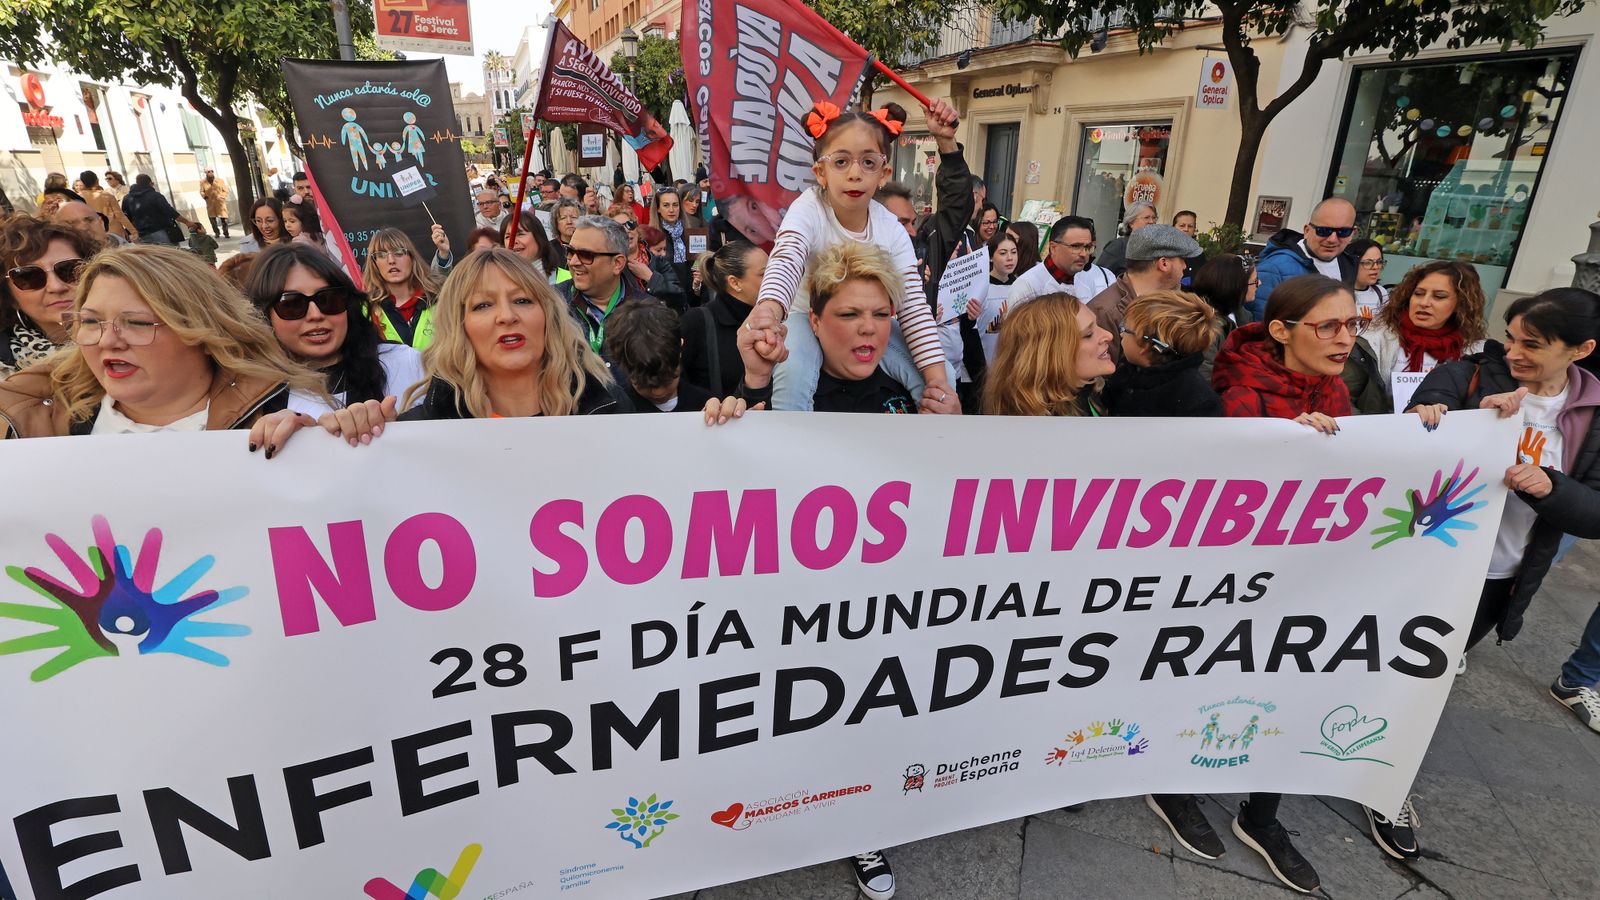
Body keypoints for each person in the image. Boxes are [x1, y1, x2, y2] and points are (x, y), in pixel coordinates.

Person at [1393, 288, 1600, 861]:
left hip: (1498, 576)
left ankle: (1384, 782)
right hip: (1418, 561)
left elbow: (1596, 511)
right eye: (1510, 337)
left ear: (1581, 349)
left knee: (1424, 683)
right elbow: (1403, 446)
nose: (1514, 352)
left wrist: (1551, 486)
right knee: (1376, 665)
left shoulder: (1592, 413)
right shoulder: (1467, 375)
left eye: (1532, 344)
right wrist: (1447, 420)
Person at [1206, 274, 1359, 893]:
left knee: (1293, 684)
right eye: (1328, 326)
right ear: (1281, 331)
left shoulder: (1338, 389)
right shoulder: (1237, 395)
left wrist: (1430, 427)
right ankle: (1173, 785)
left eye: (1352, 324)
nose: (1345, 337)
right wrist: (1286, 446)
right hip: (1234, 580)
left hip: (1308, 577)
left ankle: (1263, 815)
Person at [749, 100, 957, 414]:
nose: (855, 174)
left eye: (868, 163)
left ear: (884, 172)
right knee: (793, 377)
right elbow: (787, 257)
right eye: (842, 162)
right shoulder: (808, 209)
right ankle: (787, 448)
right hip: (803, 316)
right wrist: (769, 309)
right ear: (820, 172)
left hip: (861, 322)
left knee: (946, 378)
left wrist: (939, 386)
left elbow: (912, 304)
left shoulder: (891, 228)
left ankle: (930, 440)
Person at [0, 245, 328, 440]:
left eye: (137, 323)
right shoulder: (25, 424)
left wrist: (339, 439)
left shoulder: (294, 410)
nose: (108, 341)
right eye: (89, 322)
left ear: (202, 333)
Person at [399, 248, 627, 419]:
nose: (507, 316)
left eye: (522, 300)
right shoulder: (420, 427)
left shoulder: (609, 407)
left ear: (548, 314)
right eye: (483, 305)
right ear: (459, 324)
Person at [244, 243, 424, 420]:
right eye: (292, 304)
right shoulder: (251, 397)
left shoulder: (405, 363)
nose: (315, 315)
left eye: (329, 299)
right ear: (264, 314)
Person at [1343, 259, 1487, 415]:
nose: (1424, 303)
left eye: (1439, 296)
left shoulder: (1476, 351)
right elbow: (1345, 397)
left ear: (1461, 304)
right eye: (1418, 294)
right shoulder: (1373, 341)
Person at [0, 216, 101, 376]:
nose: (56, 286)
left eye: (70, 270)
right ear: (9, 297)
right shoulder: (5, 372)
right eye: (29, 276)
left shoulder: (139, 335)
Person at [1086, 223, 1202, 363]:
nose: (1184, 266)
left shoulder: (1173, 301)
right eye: (1182, 259)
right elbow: (1102, 376)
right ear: (1163, 263)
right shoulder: (1105, 312)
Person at [1103, 290, 1223, 417]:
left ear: (1145, 345)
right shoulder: (1126, 371)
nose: (1121, 334)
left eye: (1125, 328)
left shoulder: (1197, 402)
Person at [558, 216, 659, 363]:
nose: (573, 262)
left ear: (617, 263)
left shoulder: (648, 311)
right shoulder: (550, 302)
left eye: (586, 255)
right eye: (570, 251)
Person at [682, 241, 766, 398]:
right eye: (764, 274)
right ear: (735, 282)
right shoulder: (697, 322)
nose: (773, 280)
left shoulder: (775, 320)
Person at [1253, 197, 1357, 320]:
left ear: (1352, 234)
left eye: (1343, 232)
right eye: (1323, 231)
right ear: (1307, 230)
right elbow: (1258, 326)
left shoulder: (1350, 265)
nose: (1332, 239)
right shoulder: (1274, 267)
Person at [604, 300, 714, 412]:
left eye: (668, 379)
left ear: (680, 348)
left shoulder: (705, 404)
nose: (658, 392)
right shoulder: (615, 410)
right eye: (644, 384)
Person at [1009, 214, 1114, 307]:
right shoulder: (1028, 285)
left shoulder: (1086, 279)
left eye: (1088, 247)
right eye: (1076, 246)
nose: (1084, 254)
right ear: (1053, 248)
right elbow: (1014, 328)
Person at [364, 227, 440, 349]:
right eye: (382, 255)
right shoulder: (365, 310)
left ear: (412, 257)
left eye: (398, 252)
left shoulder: (440, 298)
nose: (391, 260)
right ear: (374, 263)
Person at [1190, 253, 1257, 380]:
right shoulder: (1204, 326)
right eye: (1254, 281)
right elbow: (1207, 376)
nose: (1259, 283)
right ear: (1236, 286)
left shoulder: (1243, 314)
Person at [975, 230, 1020, 365]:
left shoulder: (1022, 286)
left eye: (1013, 252)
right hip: (984, 366)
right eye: (1003, 253)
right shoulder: (980, 287)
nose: (1010, 258)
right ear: (990, 256)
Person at [121, 174, 193, 246]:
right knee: (171, 254)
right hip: (162, 231)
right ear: (150, 183)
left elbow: (126, 218)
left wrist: (130, 232)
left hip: (142, 235)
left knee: (153, 256)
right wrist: (187, 222)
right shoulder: (155, 195)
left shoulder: (127, 199)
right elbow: (170, 211)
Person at [1096, 201, 1158, 275]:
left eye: (1154, 218)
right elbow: (1099, 277)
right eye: (1146, 218)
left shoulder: (1157, 248)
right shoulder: (1119, 246)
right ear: (1131, 223)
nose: (1151, 221)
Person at [281, 197, 344, 269]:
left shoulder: (299, 241)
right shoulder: (320, 234)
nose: (287, 225)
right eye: (285, 221)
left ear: (304, 221)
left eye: (292, 221)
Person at [636, 225, 684, 306]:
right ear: (644, 249)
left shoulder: (664, 266)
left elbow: (678, 295)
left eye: (664, 249)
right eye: (658, 250)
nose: (663, 254)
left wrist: (651, 278)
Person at [79, 171, 136, 240]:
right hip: (114, 233)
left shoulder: (78, 198)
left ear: (83, 182)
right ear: (97, 181)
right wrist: (133, 231)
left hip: (94, 234)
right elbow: (120, 215)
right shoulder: (107, 195)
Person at [1346, 238, 1388, 319]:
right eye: (1368, 263)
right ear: (1351, 264)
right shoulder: (1339, 294)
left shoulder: (1381, 293)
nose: (1375, 267)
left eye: (1379, 262)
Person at [53, 200, 124, 247]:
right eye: (71, 224)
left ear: (101, 223)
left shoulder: (131, 254)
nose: (83, 227)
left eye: (89, 220)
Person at [200, 168, 231, 238]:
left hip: (220, 203)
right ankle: (217, 232)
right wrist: (205, 197)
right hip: (210, 203)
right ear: (206, 173)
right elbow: (201, 191)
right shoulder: (202, 182)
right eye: (208, 172)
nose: (211, 173)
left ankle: (226, 233)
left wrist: (222, 196)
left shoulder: (220, 181)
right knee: (212, 220)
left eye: (212, 171)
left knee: (224, 219)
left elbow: (225, 190)